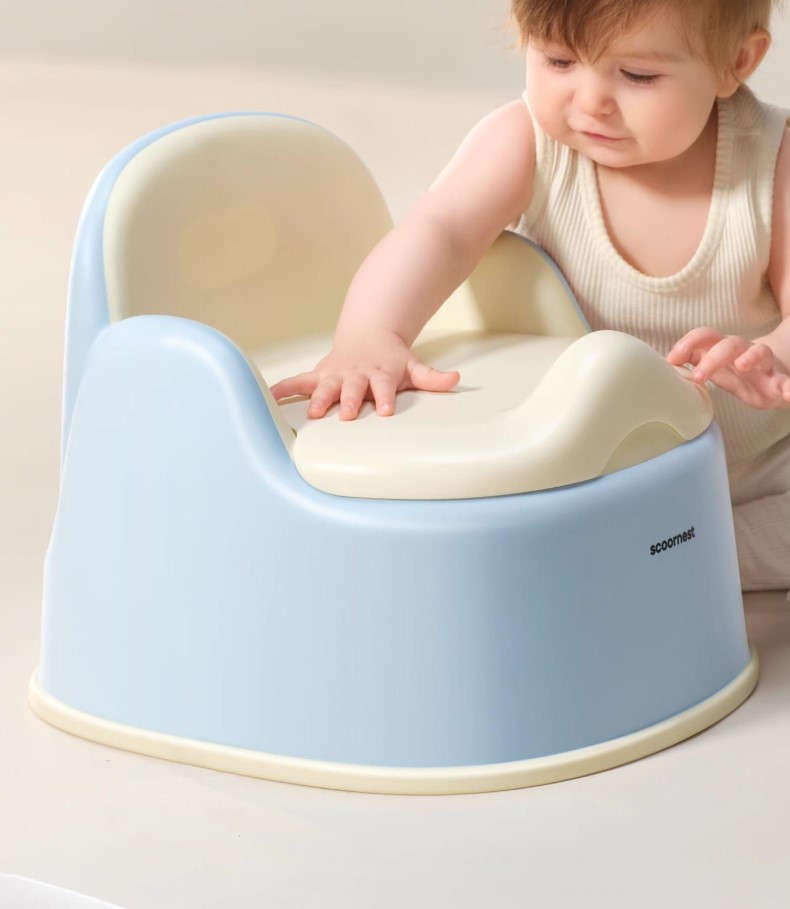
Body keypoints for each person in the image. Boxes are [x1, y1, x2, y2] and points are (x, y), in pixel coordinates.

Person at [271, 0, 790, 591]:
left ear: (736, 62)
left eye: (638, 75)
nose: (590, 100)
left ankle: (684, 552)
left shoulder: (772, 160)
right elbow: (439, 232)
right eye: (559, 61)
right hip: (588, 467)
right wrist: (372, 333)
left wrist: (774, 355)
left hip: (758, 463)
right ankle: (667, 552)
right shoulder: (525, 142)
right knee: (490, 509)